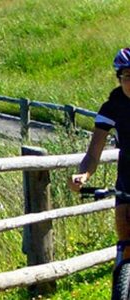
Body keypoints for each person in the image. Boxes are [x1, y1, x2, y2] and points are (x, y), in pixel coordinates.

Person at [69, 47, 130, 259]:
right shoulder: (113, 107)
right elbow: (93, 154)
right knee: (125, 245)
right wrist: (83, 175)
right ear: (119, 78)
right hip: (127, 182)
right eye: (127, 76)